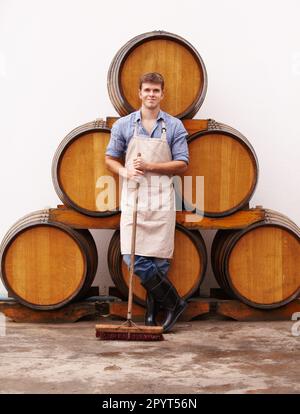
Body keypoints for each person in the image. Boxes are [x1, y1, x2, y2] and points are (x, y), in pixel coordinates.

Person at [105, 72, 189, 332]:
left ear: (162, 94)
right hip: (134, 195)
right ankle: (175, 303)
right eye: (147, 90)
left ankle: (152, 316)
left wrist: (151, 165)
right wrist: (125, 172)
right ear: (139, 93)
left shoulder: (174, 126)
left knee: (160, 259)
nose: (151, 95)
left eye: (156, 91)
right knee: (132, 257)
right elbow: (110, 158)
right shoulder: (124, 125)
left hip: (162, 196)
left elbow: (183, 164)